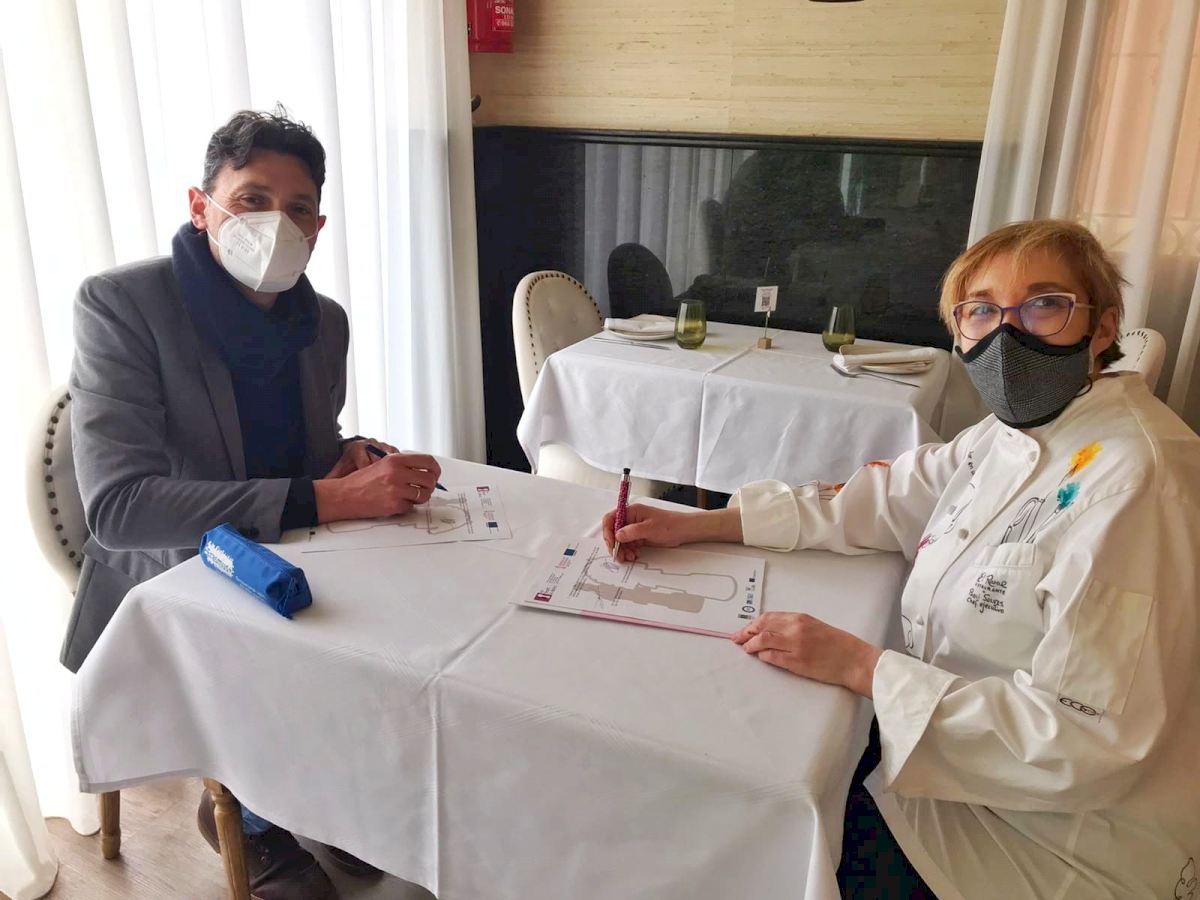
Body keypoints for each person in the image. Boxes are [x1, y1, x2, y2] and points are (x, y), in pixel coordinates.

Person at [602, 220, 1200, 899]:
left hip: (1040, 848)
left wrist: (862, 666)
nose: (1008, 334)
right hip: (950, 768)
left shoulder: (1138, 486)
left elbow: (1082, 745)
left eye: (1043, 304)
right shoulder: (1012, 434)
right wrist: (706, 523)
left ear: (1101, 327)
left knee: (741, 837)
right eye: (981, 310)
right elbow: (886, 498)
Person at [65, 108, 441, 899]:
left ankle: (326, 792)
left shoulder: (322, 322)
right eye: (251, 199)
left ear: (318, 228)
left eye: (299, 208)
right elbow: (121, 508)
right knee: (312, 642)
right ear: (202, 208)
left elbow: (304, 450)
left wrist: (350, 457)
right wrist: (326, 496)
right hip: (172, 573)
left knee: (409, 621)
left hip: (290, 543)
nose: (276, 224)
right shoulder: (122, 305)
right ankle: (253, 817)